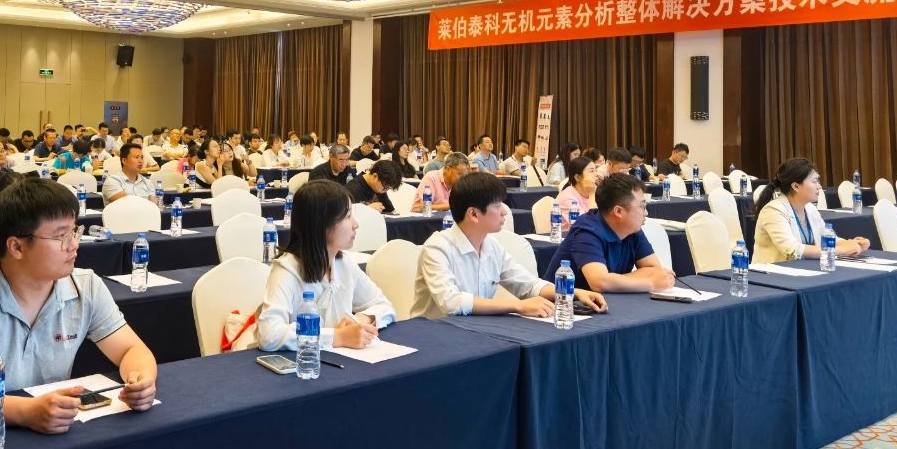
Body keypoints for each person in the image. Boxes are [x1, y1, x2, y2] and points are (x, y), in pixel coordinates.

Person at [0, 177, 157, 432]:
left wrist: (142, 378)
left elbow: (130, 349)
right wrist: (26, 412)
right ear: (16, 246)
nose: (74, 245)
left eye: (74, 232)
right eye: (61, 236)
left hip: (55, 429)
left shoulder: (86, 286)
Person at [413, 172, 608, 319]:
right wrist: (517, 306)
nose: (505, 212)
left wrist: (575, 293)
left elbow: (528, 284)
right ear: (473, 214)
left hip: (475, 330)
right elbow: (451, 302)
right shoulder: (438, 247)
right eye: (497, 206)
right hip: (433, 335)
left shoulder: (491, 245)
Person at [256, 180, 395, 352]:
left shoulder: (343, 263)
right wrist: (338, 337)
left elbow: (385, 306)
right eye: (347, 216)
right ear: (322, 225)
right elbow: (268, 335)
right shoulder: (287, 270)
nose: (355, 224)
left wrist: (360, 320)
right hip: (303, 364)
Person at [541, 173, 676, 293]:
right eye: (642, 206)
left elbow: (653, 269)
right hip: (564, 305)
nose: (646, 213)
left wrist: (612, 281)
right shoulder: (587, 231)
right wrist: (650, 284)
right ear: (618, 211)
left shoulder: (633, 230)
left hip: (606, 302)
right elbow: (599, 283)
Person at [752, 158, 870, 264]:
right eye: (814, 181)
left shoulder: (810, 209)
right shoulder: (773, 211)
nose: (819, 187)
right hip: (771, 275)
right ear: (796, 186)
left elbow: (827, 238)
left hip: (800, 270)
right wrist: (842, 250)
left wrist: (852, 243)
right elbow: (792, 250)